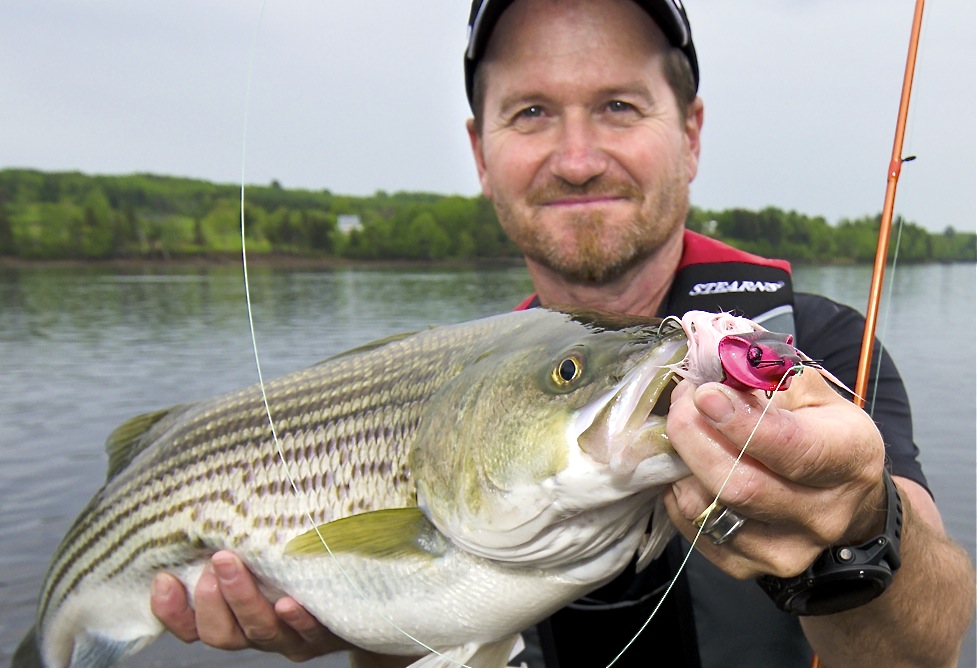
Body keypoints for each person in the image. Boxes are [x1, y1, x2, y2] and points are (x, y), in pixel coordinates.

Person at [151, 0, 975, 665]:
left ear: (688, 134)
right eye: (532, 111)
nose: (577, 158)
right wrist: (358, 621)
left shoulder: (813, 345)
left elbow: (928, 645)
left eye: (618, 106)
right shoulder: (440, 382)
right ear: (480, 151)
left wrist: (860, 530)